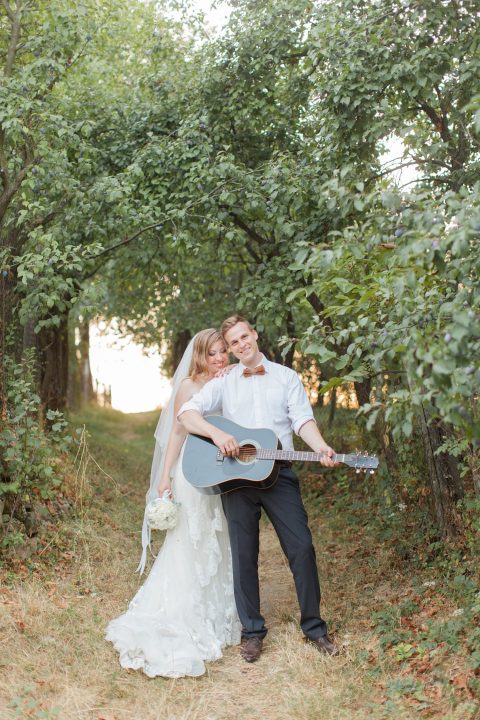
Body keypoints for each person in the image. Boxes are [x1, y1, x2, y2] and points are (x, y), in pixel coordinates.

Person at [178, 315, 340, 663]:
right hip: (237, 478)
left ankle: (315, 628)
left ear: (254, 335)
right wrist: (217, 435)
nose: (240, 346)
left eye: (243, 337)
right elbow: (187, 414)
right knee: (244, 556)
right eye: (232, 343)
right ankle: (252, 632)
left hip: (279, 474)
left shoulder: (286, 377)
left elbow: (302, 421)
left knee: (302, 547)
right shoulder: (224, 381)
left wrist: (321, 446)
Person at [106, 329, 241, 678]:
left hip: (221, 473)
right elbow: (177, 435)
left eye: (223, 351)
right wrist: (164, 478)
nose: (219, 358)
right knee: (189, 539)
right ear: (199, 355)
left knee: (219, 536)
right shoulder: (188, 387)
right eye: (212, 353)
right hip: (190, 474)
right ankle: (182, 612)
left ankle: (221, 611)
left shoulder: (230, 383)